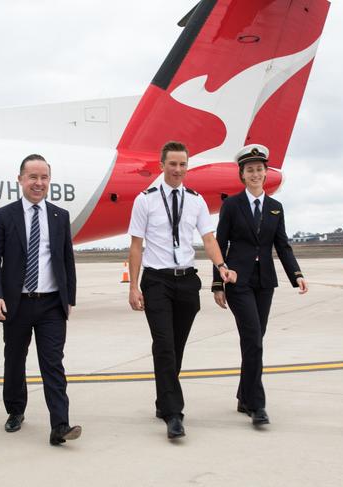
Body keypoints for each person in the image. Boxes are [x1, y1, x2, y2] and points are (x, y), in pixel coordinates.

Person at [127, 140, 236, 440]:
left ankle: (164, 402)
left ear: (187, 167)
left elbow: (209, 238)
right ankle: (174, 414)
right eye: (172, 164)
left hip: (187, 280)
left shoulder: (196, 200)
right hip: (157, 281)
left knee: (175, 347)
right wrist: (133, 286)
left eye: (182, 164)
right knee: (164, 344)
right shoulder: (145, 200)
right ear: (161, 166)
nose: (177, 169)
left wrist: (222, 266)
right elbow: (136, 247)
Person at [0, 154, 81, 446]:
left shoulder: (59, 216)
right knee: (14, 360)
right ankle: (15, 410)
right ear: (21, 179)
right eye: (33, 177)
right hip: (17, 303)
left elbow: (66, 259)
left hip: (51, 303)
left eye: (44, 177)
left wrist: (69, 298)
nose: (39, 183)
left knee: (53, 363)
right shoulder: (4, 215)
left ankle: (60, 425)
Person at [212, 144, 308, 426]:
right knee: (253, 338)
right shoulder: (231, 205)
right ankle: (257, 405)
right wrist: (218, 283)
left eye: (259, 169)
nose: (255, 174)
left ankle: (244, 394)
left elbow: (283, 245)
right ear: (242, 174)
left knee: (255, 339)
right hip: (237, 281)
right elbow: (220, 244)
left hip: (265, 281)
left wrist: (296, 274)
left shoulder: (276, 208)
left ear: (266, 173)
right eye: (249, 170)